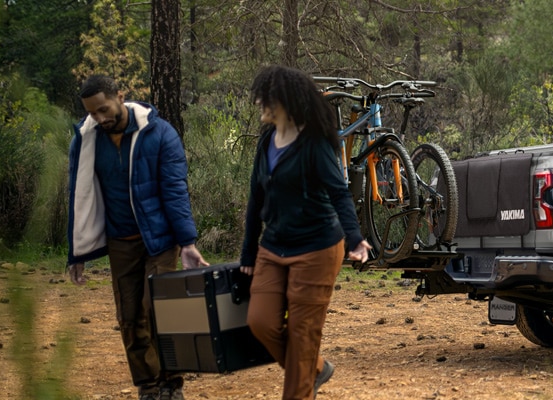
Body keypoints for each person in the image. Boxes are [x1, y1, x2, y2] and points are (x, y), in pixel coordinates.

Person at [67, 74, 210, 400]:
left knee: (161, 309)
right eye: (93, 114)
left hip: (159, 240)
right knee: (129, 316)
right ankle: (148, 385)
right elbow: (79, 194)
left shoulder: (159, 134)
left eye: (104, 109)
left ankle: (172, 384)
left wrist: (186, 242)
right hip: (121, 241)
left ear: (120, 95)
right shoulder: (88, 139)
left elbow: (175, 191)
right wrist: (76, 253)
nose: (100, 118)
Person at [240, 65, 371, 400]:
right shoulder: (267, 140)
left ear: (284, 102)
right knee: (260, 322)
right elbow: (256, 197)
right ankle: (314, 369)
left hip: (316, 250)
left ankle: (303, 376)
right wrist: (248, 252)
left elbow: (339, 192)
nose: (260, 104)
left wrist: (355, 238)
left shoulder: (313, 143)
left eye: (265, 99)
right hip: (274, 246)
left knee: (301, 337)